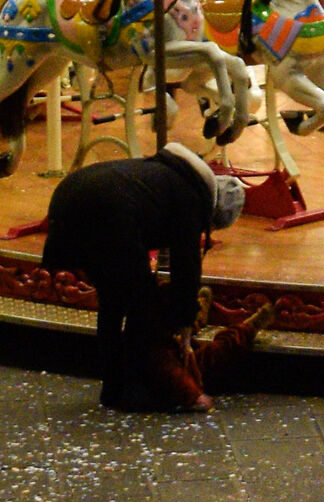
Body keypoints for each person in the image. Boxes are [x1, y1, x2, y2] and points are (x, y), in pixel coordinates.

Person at [39, 145, 248, 411]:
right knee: (144, 307)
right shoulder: (191, 196)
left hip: (69, 199)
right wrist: (185, 325)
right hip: (106, 212)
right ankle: (141, 389)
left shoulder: (169, 174)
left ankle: (114, 389)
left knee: (113, 302)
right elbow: (186, 265)